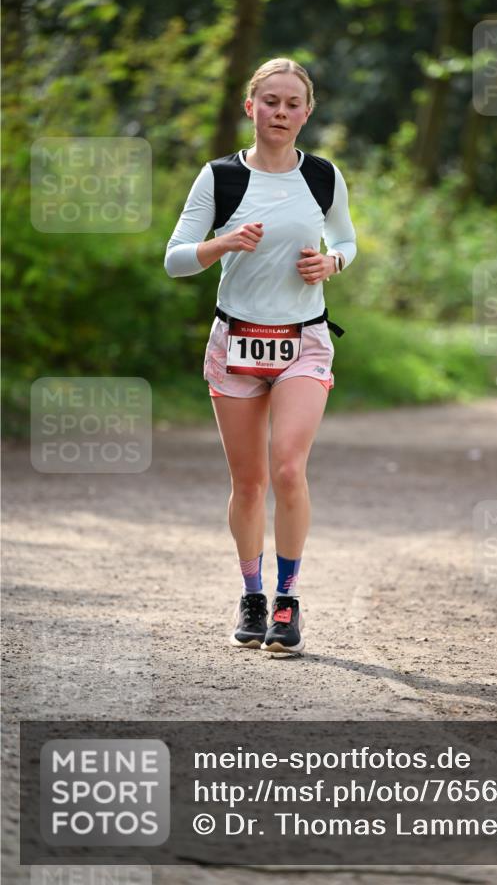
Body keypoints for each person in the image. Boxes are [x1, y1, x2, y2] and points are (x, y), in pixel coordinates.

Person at [164, 58, 356, 653]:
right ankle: (251, 596)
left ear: (307, 112)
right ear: (251, 108)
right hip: (236, 342)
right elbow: (175, 258)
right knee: (248, 484)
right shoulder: (219, 177)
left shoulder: (322, 175)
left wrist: (333, 263)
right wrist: (223, 242)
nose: (280, 112)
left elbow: (345, 238)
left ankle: (287, 600)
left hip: (304, 339)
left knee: (289, 468)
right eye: (269, 101)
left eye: (292, 103)